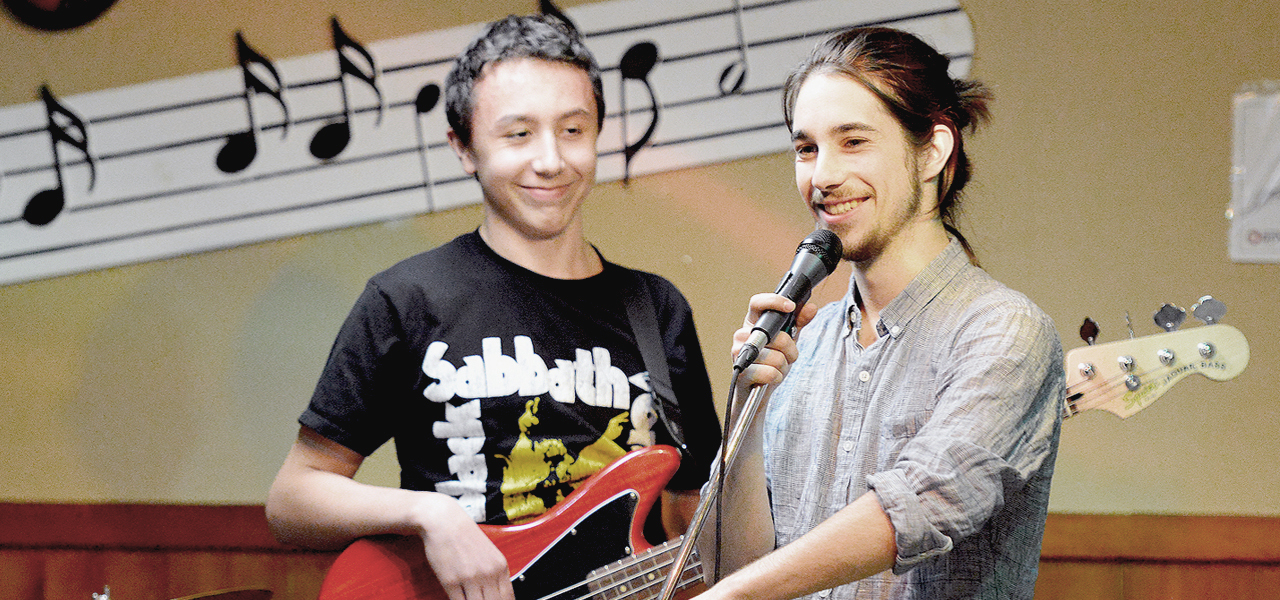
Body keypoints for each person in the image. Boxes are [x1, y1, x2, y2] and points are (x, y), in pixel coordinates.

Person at [265, 14, 721, 600]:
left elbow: (692, 530)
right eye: (518, 135)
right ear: (464, 149)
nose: (551, 160)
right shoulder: (407, 299)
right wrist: (432, 517)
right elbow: (293, 500)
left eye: (574, 130)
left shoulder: (655, 310)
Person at [696, 26, 1065, 600]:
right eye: (806, 148)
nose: (822, 176)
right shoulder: (803, 345)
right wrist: (750, 409)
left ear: (932, 152)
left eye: (853, 142)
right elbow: (730, 567)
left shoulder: (1004, 332)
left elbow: (921, 504)